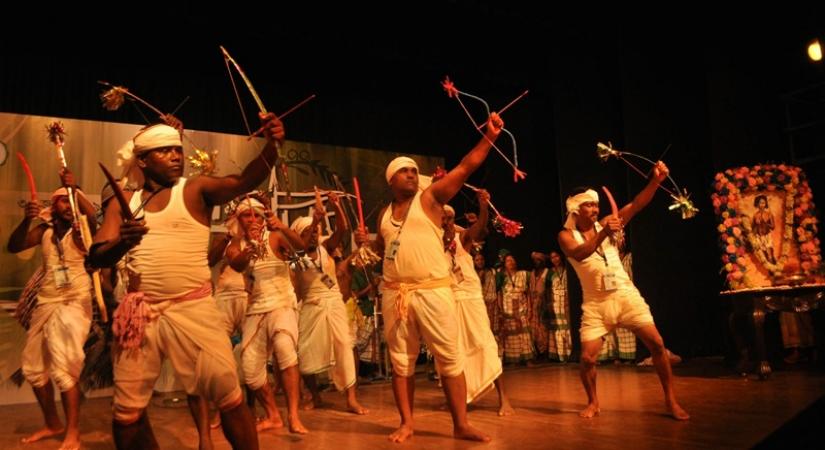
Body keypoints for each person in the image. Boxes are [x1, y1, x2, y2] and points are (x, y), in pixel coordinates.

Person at [90, 113, 284, 449]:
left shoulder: (195, 190)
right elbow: (95, 257)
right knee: (126, 413)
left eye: (177, 150)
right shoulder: (125, 202)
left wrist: (272, 146)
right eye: (164, 151)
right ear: (143, 161)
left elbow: (242, 181)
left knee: (229, 394)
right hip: (141, 314)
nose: (176, 156)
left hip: (193, 307)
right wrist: (123, 241)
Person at [357, 112, 503, 443]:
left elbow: (466, 166)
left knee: (450, 358)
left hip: (434, 292)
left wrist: (490, 137)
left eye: (413, 170)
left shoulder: (430, 198)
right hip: (396, 294)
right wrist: (365, 244)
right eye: (403, 171)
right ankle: (407, 422)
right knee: (401, 362)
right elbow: (383, 248)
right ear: (391, 180)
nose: (411, 174)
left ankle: (461, 424)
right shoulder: (384, 215)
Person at [557, 161, 689, 420]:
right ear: (575, 208)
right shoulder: (565, 235)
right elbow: (580, 254)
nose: (596, 209)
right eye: (589, 205)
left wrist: (656, 181)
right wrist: (605, 231)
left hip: (625, 295)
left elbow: (636, 205)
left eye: (596, 204)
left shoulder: (606, 222)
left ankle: (671, 401)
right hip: (596, 303)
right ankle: (593, 402)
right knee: (587, 358)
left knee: (658, 345)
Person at [7, 169, 96, 450]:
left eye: (72, 201)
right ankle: (52, 423)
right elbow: (14, 245)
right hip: (46, 302)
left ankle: (73, 433)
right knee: (33, 368)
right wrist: (26, 220)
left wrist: (74, 191)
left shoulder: (84, 230)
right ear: (53, 205)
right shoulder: (45, 231)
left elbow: (92, 216)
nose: (68, 206)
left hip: (74, 303)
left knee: (65, 368)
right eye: (63, 201)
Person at [225, 196, 308, 434]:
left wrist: (281, 225)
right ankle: (273, 415)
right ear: (239, 219)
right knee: (250, 370)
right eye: (247, 215)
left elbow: (300, 248)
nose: (252, 219)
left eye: (257, 215)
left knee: (284, 348)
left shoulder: (275, 236)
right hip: (256, 308)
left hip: (282, 303)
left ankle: (293, 415)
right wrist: (249, 249)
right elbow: (238, 265)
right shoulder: (235, 244)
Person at [292, 192, 368, 415]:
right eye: (307, 233)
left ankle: (351, 398)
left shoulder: (326, 248)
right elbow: (298, 261)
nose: (313, 235)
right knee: (305, 351)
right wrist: (315, 218)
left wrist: (337, 206)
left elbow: (341, 230)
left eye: (315, 231)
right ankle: (315, 396)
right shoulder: (295, 256)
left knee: (344, 345)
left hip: (333, 302)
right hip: (311, 305)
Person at [442, 192, 514, 416]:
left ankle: (504, 399)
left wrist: (483, 207)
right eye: (442, 219)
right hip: (448, 298)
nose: (445, 222)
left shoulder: (462, 238)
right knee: (453, 350)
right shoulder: (433, 243)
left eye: (449, 219)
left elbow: (480, 229)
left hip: (470, 298)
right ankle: (461, 397)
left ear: (454, 221)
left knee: (484, 343)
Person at [498, 253, 534, 365]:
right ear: (504, 264)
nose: (511, 262)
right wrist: (500, 310)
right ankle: (514, 359)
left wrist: (530, 309)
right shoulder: (501, 276)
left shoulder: (523, 274)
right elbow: (499, 294)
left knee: (525, 335)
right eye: (508, 261)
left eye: (513, 260)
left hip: (522, 308)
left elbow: (528, 293)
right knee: (511, 336)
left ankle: (528, 359)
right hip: (508, 309)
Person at [546, 251, 572, 362]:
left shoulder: (568, 269)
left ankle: (571, 353)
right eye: (552, 258)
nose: (555, 259)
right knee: (559, 329)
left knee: (568, 328)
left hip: (567, 301)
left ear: (560, 256)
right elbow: (547, 289)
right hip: (556, 303)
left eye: (556, 256)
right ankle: (562, 355)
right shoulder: (550, 272)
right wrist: (549, 303)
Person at [528, 251, 551, 359]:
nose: (537, 262)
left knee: (543, 328)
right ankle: (538, 351)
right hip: (532, 303)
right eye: (535, 260)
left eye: (539, 260)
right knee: (534, 328)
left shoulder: (547, 272)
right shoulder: (532, 273)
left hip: (543, 302)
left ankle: (545, 351)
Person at [752, 195, 777, 264]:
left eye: (763, 203)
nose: (762, 205)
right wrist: (756, 225)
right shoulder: (755, 215)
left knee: (770, 253)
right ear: (757, 204)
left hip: (767, 236)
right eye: (760, 203)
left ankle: (774, 266)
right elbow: (752, 229)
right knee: (764, 255)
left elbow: (773, 227)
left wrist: (766, 223)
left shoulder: (769, 214)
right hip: (759, 237)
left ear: (766, 204)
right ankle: (770, 270)